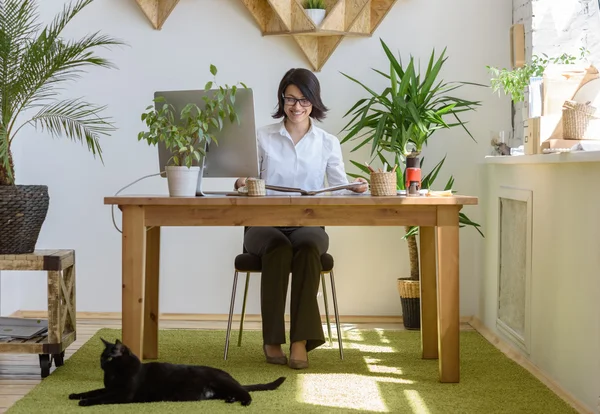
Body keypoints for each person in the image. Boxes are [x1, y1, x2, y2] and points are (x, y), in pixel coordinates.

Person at [234, 68, 367, 369]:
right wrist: (241, 181)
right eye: (290, 99)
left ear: (314, 102)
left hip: (308, 224)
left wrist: (355, 187)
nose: (297, 106)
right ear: (281, 99)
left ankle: (300, 340)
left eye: (304, 100)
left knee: (308, 248)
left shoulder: (327, 142)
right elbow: (245, 180)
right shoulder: (263, 137)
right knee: (278, 247)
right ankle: (272, 339)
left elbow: (339, 188)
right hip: (262, 225)